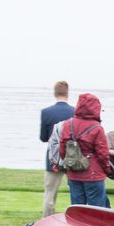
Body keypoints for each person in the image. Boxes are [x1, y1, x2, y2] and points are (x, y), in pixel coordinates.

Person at [57, 92, 111, 208]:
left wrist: (69, 165)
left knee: (77, 210)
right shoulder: (97, 128)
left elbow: (62, 149)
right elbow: (103, 154)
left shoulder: (68, 124)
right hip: (93, 173)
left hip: (74, 172)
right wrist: (106, 169)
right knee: (97, 210)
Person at [39, 80, 74, 217]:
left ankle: (46, 219)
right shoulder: (75, 112)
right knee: (75, 191)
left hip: (52, 157)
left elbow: (43, 137)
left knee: (50, 193)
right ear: (67, 93)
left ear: (55, 93)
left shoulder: (46, 112)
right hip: (72, 156)